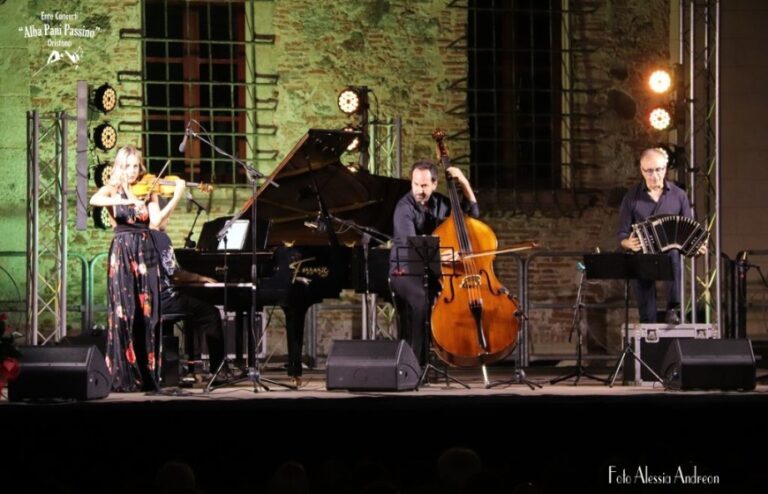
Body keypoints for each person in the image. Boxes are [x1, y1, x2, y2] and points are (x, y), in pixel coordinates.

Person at [90, 144, 185, 391]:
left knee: (147, 314)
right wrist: (130, 199)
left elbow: (155, 223)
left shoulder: (149, 189)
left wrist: (174, 198)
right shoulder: (112, 189)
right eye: (128, 166)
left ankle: (148, 376)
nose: (133, 171)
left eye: (136, 166)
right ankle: (123, 377)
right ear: (119, 167)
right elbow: (95, 199)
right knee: (124, 313)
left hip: (146, 253)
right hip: (122, 253)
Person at [389, 159, 479, 366]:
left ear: (434, 184)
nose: (419, 190)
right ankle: (418, 364)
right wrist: (443, 256)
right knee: (423, 299)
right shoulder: (404, 208)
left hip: (435, 270)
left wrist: (464, 182)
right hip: (405, 271)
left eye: (424, 186)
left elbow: (472, 215)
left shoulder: (441, 203)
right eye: (415, 184)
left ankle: (450, 352)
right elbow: (411, 250)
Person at [617, 147, 699, 324]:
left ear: (666, 168)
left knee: (674, 254)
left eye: (658, 170)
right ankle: (648, 323)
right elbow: (622, 234)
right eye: (648, 171)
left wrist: (697, 246)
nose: (654, 175)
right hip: (643, 254)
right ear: (641, 170)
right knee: (646, 309)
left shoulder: (679, 196)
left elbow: (689, 231)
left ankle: (673, 308)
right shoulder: (631, 198)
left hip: (669, 255)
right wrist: (627, 242)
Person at [150, 221, 227, 381]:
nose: (167, 220)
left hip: (148, 301)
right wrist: (200, 278)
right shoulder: (160, 238)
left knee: (193, 305)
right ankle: (218, 369)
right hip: (165, 299)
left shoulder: (136, 237)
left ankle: (194, 366)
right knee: (210, 313)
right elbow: (176, 274)